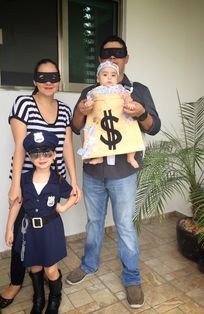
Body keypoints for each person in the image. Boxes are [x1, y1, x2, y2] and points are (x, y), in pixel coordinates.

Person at [66, 35, 161, 309]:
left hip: (124, 173)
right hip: (94, 173)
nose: (112, 57)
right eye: (106, 54)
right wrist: (82, 112)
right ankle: (89, 264)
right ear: (99, 60)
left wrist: (141, 112)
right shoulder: (90, 92)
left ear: (126, 58)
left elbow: (153, 127)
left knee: (125, 227)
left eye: (118, 53)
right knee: (94, 223)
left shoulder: (138, 90)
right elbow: (75, 126)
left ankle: (132, 278)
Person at [0, 58, 81, 309]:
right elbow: (20, 147)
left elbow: (67, 147)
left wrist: (74, 182)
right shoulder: (23, 103)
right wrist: (14, 186)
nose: (48, 82)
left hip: (52, 181)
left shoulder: (65, 109)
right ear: (35, 80)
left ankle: (49, 275)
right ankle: (16, 283)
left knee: (46, 230)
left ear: (59, 80)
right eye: (42, 77)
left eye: (53, 77)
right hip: (26, 182)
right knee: (22, 235)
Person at [5, 130, 76, 313]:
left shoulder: (58, 180)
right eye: (36, 154)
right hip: (30, 231)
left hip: (50, 230)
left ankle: (54, 297)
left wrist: (63, 207)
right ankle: (38, 298)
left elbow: (74, 194)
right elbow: (16, 203)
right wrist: (9, 229)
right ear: (29, 156)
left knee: (51, 269)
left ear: (53, 156)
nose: (41, 157)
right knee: (35, 266)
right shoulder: (24, 179)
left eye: (46, 153)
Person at [82, 60, 141, 168]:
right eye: (105, 75)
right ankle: (98, 157)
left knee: (131, 133)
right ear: (98, 78)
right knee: (95, 135)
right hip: (101, 119)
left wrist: (129, 103)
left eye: (113, 75)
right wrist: (88, 103)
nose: (109, 78)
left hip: (119, 118)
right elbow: (89, 100)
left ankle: (131, 156)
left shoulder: (120, 89)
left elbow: (126, 97)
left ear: (117, 78)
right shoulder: (94, 91)